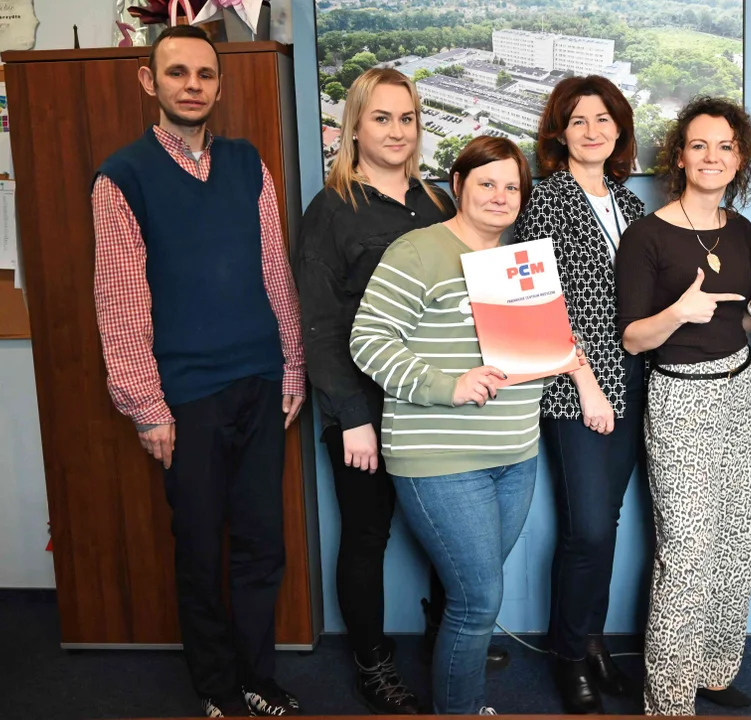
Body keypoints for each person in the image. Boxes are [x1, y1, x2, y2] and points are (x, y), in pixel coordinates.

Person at [91, 25, 306, 718]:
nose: (192, 85)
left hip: (261, 383)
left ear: (218, 84)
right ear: (149, 81)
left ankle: (258, 679)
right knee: (200, 551)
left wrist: (293, 367)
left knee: (261, 545)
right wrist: (145, 406)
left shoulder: (247, 164)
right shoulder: (122, 177)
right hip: (185, 398)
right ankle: (216, 688)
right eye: (177, 72)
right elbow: (120, 301)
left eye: (205, 74)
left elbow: (275, 271)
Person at [293, 67, 504, 714]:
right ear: (354, 126)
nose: (396, 131)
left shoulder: (437, 202)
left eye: (406, 118)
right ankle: (372, 663)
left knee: (452, 538)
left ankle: (450, 638)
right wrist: (351, 417)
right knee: (367, 537)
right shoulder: (332, 210)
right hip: (366, 408)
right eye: (381, 118)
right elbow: (319, 324)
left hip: (437, 404)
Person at [350, 137, 580, 714]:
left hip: (515, 454)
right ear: (458, 185)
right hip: (440, 458)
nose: (500, 196)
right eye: (487, 183)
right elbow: (367, 340)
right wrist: (447, 385)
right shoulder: (418, 250)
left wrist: (557, 356)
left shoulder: (520, 263)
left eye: (512, 187)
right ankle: (462, 709)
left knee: (475, 596)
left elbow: (536, 354)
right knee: (478, 600)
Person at [616, 96, 751, 716]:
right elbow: (632, 338)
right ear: (679, 157)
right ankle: (668, 700)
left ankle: (712, 670)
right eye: (699, 145)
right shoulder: (646, 235)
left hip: (739, 386)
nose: (713, 156)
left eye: (725, 146)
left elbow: (738, 325)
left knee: (737, 536)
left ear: (739, 158)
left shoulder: (741, 229)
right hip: (681, 394)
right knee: (686, 549)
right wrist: (678, 312)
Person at [511, 75, 645, 713]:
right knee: (586, 529)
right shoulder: (545, 201)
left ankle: (592, 643)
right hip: (576, 388)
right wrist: (585, 381)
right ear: (559, 133)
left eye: (603, 119)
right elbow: (534, 303)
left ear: (619, 129)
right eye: (578, 120)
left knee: (609, 523)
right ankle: (568, 657)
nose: (592, 131)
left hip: (639, 381)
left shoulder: (632, 206)